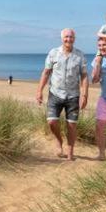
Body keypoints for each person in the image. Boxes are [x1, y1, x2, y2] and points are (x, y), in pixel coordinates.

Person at [36, 28, 89, 161]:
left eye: (71, 37)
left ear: (74, 39)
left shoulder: (80, 55)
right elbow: (46, 72)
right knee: (52, 122)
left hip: (73, 95)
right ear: (62, 38)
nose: (68, 39)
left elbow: (84, 76)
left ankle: (70, 152)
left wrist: (85, 95)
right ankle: (59, 142)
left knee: (71, 125)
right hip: (55, 93)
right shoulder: (53, 53)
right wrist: (39, 91)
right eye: (66, 37)